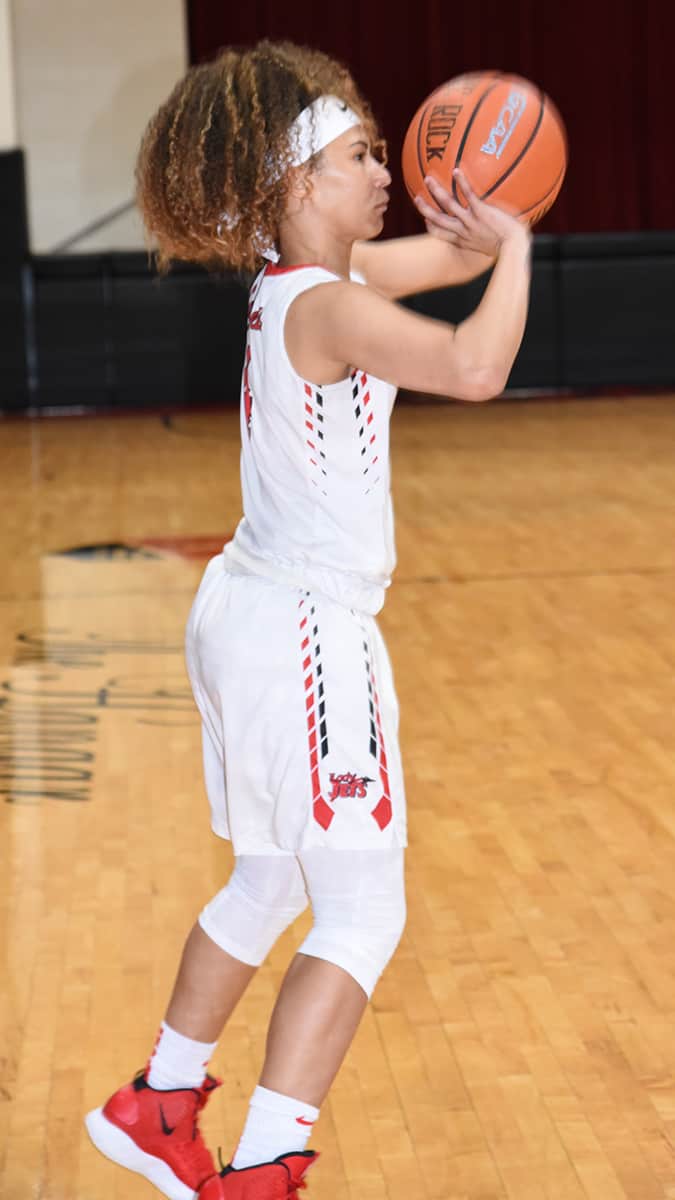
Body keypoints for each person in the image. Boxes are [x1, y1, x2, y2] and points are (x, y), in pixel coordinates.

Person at [84, 38, 532, 1200]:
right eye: (356, 156)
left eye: (382, 149)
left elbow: (422, 260)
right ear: (296, 186)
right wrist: (521, 252)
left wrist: (478, 232)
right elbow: (477, 368)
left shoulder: (297, 284)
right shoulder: (330, 306)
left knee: (273, 878)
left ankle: (161, 1100)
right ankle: (268, 1166)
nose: (382, 170)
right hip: (306, 638)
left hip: (248, 610)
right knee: (364, 909)